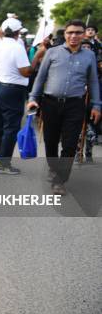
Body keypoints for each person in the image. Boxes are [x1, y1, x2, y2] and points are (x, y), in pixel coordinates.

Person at [27, 20, 101, 195]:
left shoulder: (89, 56)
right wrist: (32, 98)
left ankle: (60, 180)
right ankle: (54, 167)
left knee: (69, 145)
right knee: (50, 141)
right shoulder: (52, 53)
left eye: (78, 33)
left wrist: (97, 105)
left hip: (75, 104)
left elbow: (93, 82)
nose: (74, 36)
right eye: (70, 33)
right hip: (50, 103)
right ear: (65, 34)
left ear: (83, 35)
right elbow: (40, 77)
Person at [0, 18, 43, 174]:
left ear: (3, 30)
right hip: (12, 90)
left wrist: (8, 20)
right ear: (18, 33)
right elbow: (25, 72)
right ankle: (2, 164)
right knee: (11, 128)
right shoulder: (17, 47)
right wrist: (37, 56)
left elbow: (0, 32)